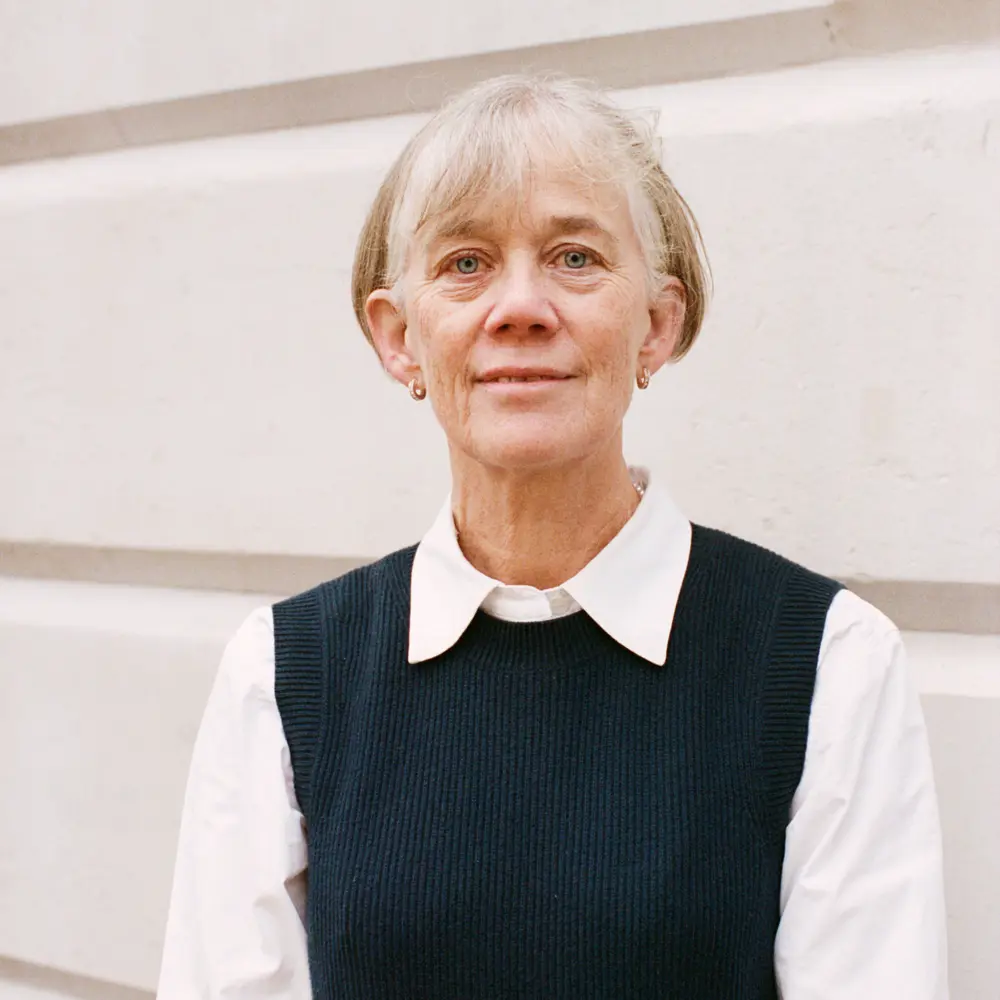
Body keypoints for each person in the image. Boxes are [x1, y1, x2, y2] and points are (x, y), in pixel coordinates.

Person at [157, 75, 948, 999]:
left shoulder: (827, 663)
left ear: (657, 325)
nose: (520, 307)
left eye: (575, 258)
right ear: (399, 338)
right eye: (466, 263)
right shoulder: (286, 678)